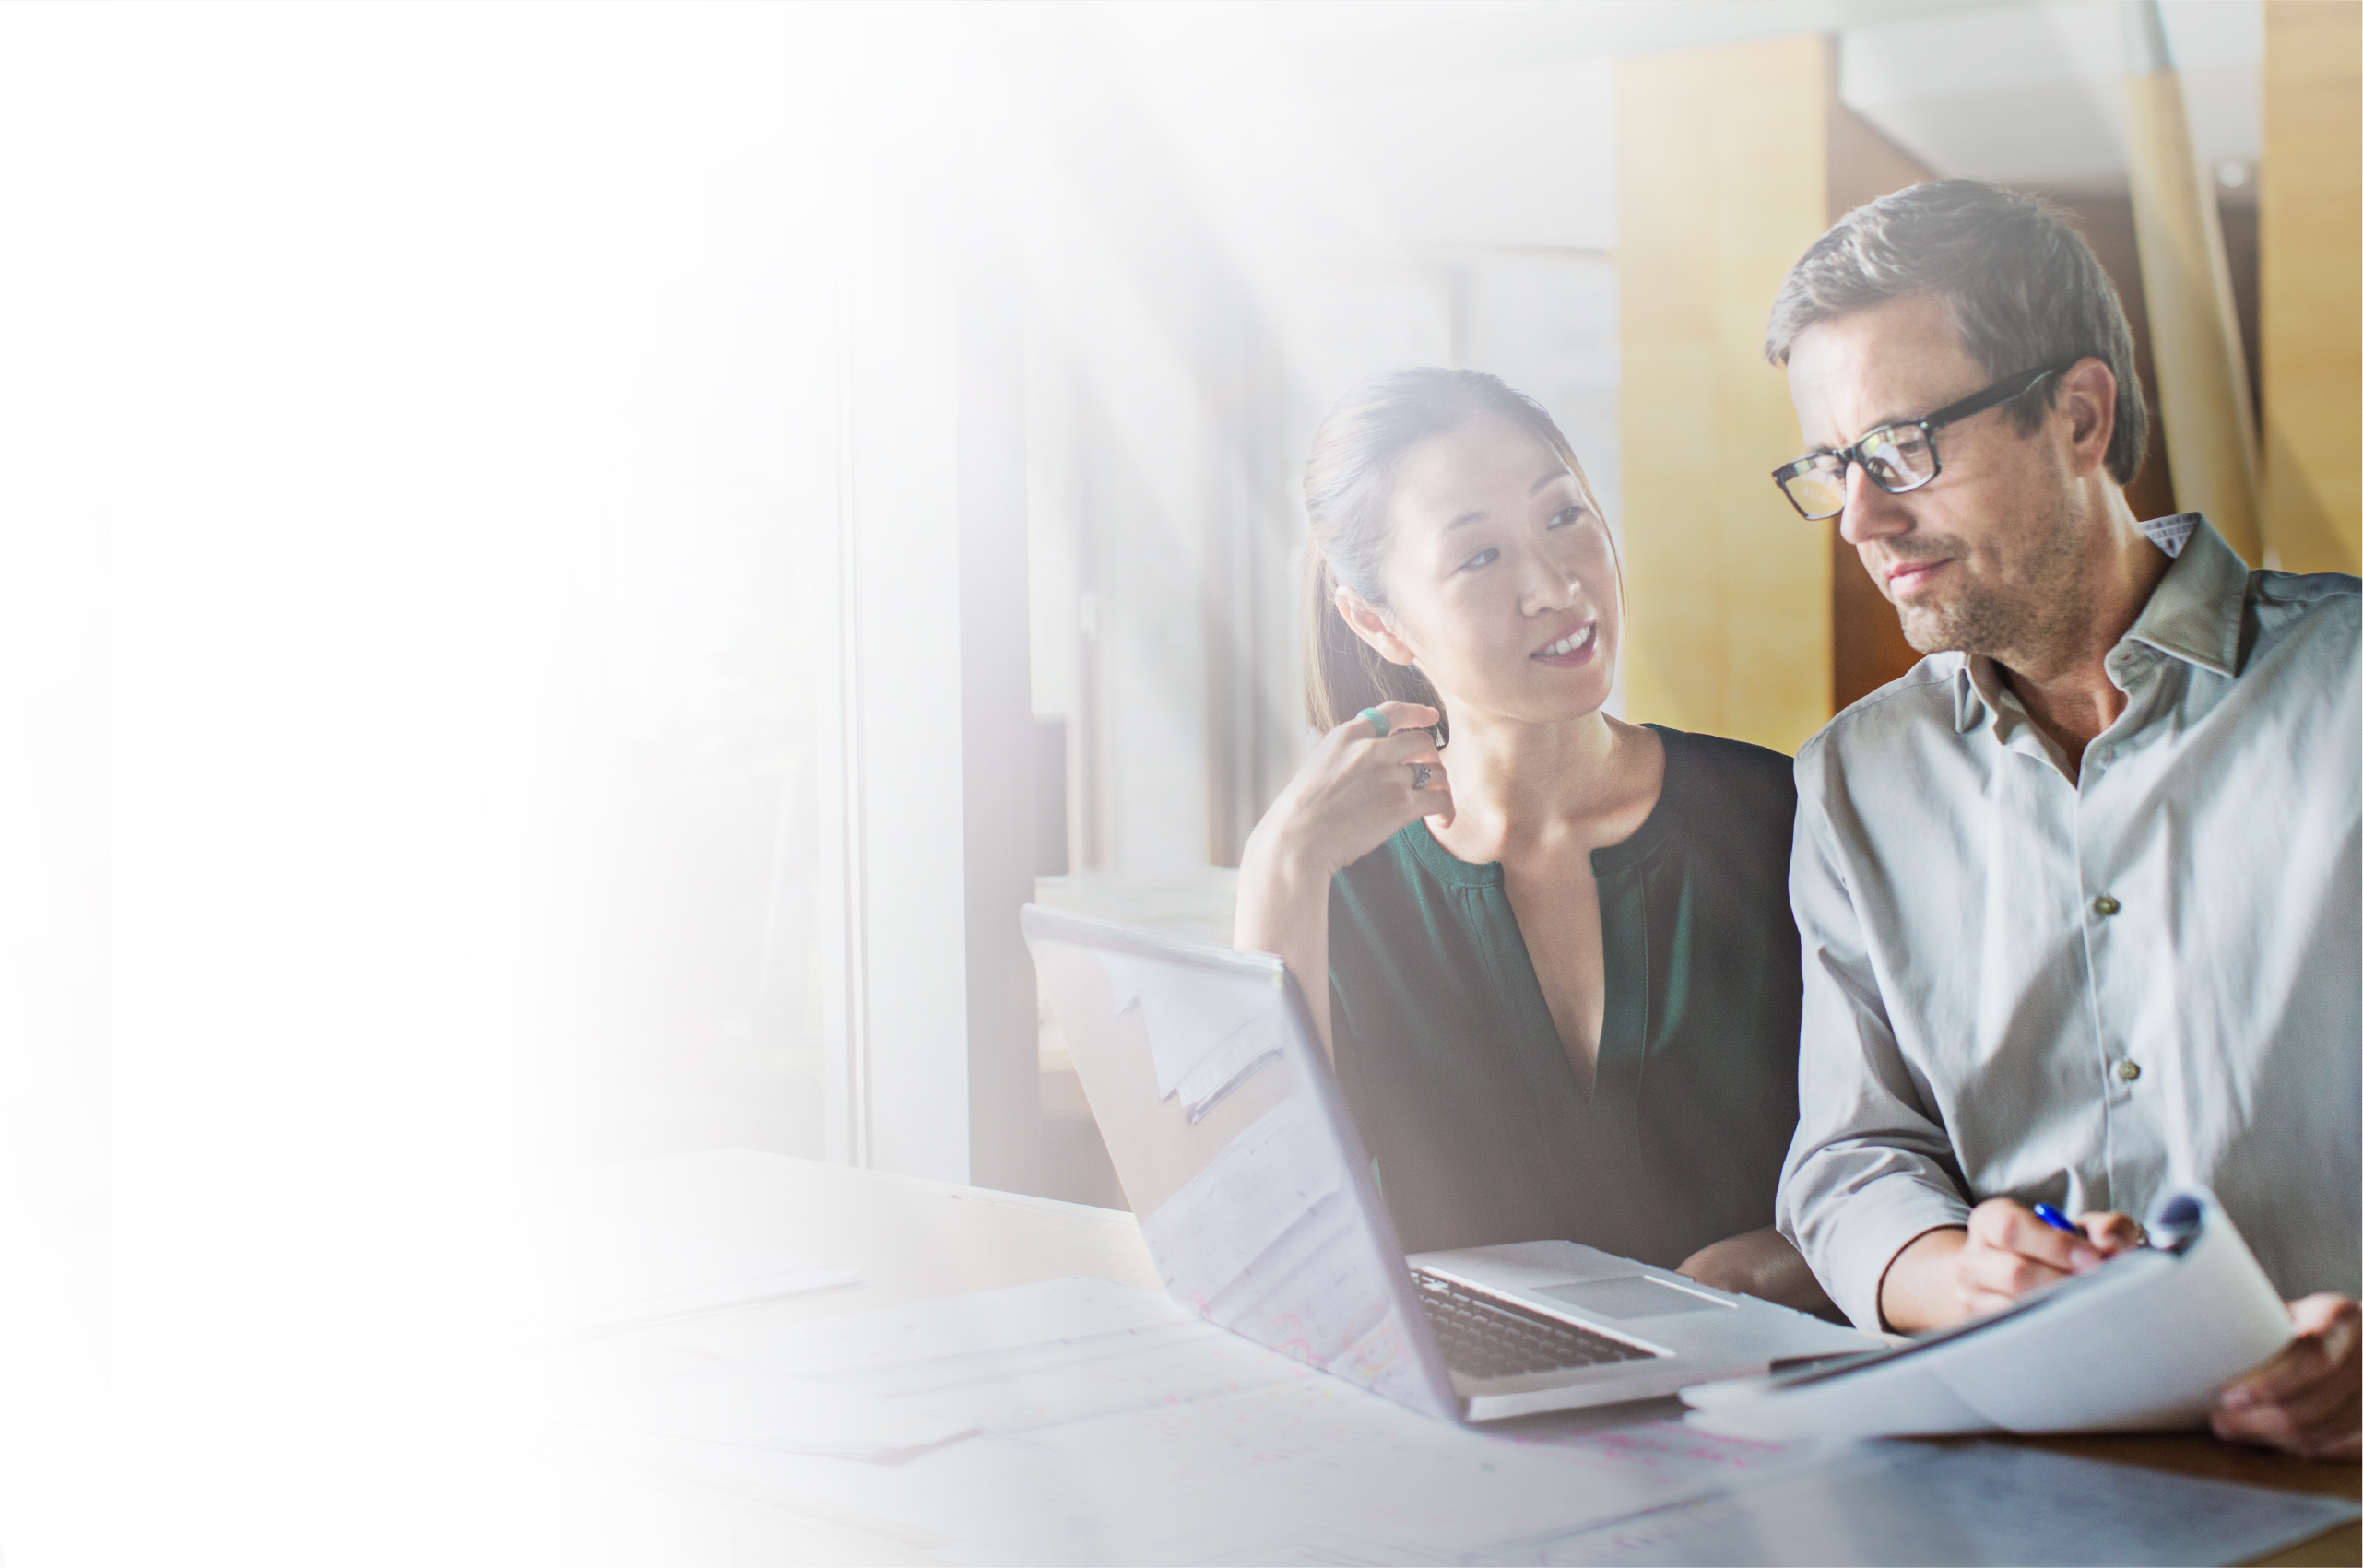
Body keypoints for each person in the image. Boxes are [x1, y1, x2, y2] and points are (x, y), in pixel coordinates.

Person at [1765, 179, 2360, 1458]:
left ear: (2076, 414)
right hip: (2007, 1488)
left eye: (1899, 447)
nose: (1861, 519)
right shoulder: (1850, 779)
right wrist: (1958, 1276)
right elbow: (1851, 1160)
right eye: (1832, 466)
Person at [1234, 367, 1828, 1314]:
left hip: (1777, 1406)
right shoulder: (1335, 886)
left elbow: (1930, 1150)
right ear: (1375, 621)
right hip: (1463, 1431)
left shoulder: (1787, 816)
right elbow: (1268, 1247)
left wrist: (1794, 1255)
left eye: (1564, 519)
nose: (1554, 586)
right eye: (1478, 559)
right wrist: (1280, 867)